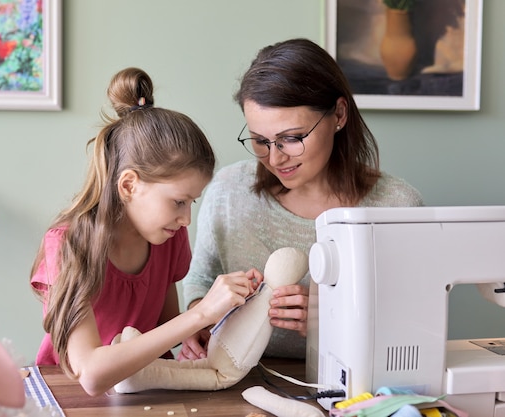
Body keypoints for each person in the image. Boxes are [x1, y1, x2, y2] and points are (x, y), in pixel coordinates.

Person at [179, 38, 423, 361]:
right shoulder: (226, 191)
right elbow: (200, 281)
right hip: (237, 383)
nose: (275, 158)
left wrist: (331, 318)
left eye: (291, 138)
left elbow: (416, 327)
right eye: (259, 141)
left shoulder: (398, 208)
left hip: (354, 392)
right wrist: (200, 321)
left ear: (338, 114)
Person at [30, 67, 261, 396]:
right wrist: (200, 314)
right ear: (129, 185)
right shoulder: (69, 246)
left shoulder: (168, 236)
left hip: (143, 393)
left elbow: (163, 329)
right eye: (179, 201)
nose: (186, 220)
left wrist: (194, 331)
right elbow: (92, 375)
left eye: (191, 202)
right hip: (69, 398)